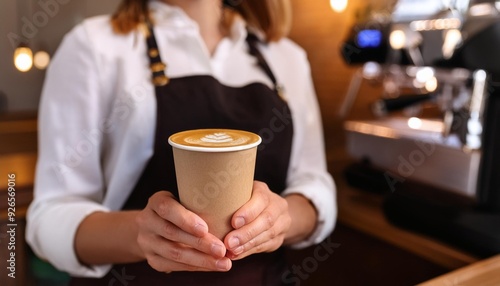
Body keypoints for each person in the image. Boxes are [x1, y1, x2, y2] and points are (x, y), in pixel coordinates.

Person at [26, 0, 336, 285]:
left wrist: (283, 218)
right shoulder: (94, 46)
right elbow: (49, 217)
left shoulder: (286, 58)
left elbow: (314, 184)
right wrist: (140, 235)